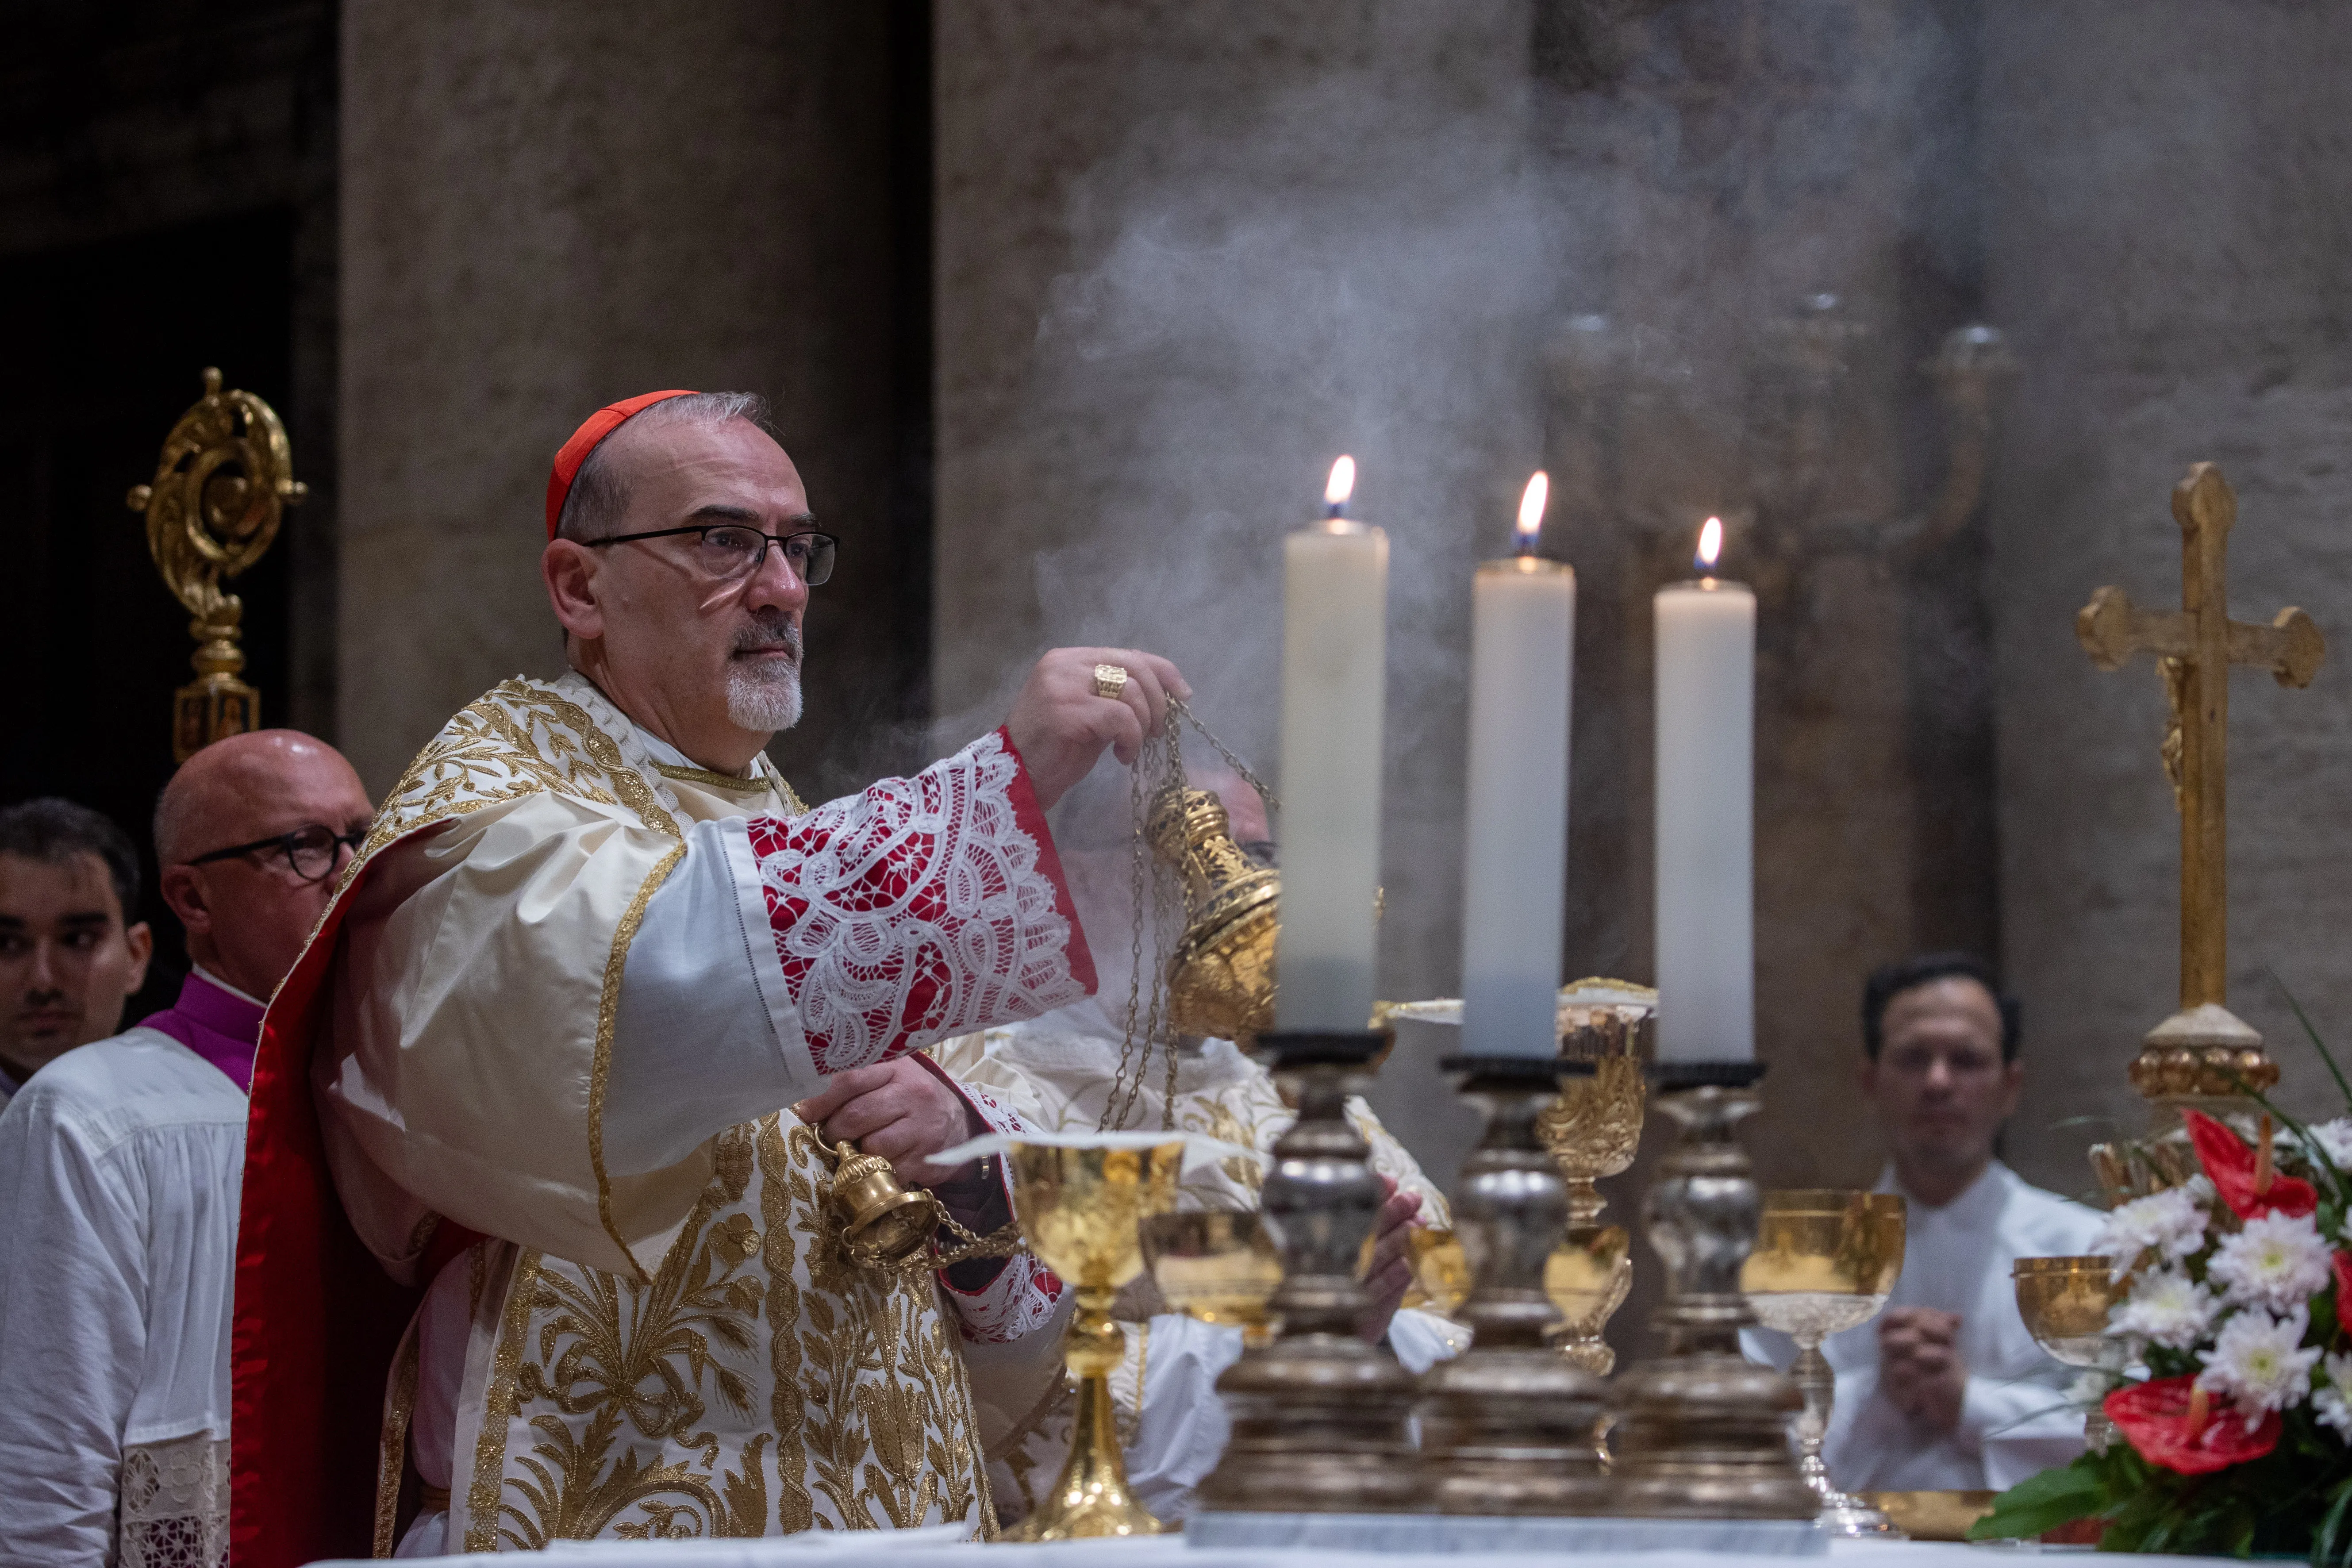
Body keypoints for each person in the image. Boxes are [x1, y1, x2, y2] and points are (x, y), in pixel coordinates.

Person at [231, 389, 1195, 1564]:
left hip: (873, 1530)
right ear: (579, 588)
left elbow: (1002, 1331)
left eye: (797, 548)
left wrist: (966, 1163)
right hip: (592, 1528)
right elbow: (637, 998)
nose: (782, 587)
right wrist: (999, 790)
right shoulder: (491, 801)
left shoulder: (789, 822)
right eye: (722, 539)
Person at [932, 772, 1461, 1526]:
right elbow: (997, 1403)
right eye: (1178, 851)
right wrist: (1289, 1352)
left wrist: (1363, 1346)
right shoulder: (972, 1091)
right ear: (1067, 869)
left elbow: (1476, 1343)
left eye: (1257, 854)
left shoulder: (1305, 1095)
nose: (1227, 885)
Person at [0, 733, 373, 1566]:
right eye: (304, 847)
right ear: (192, 898)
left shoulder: (405, 1104)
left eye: (362, 837)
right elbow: (45, 1476)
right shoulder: (90, 1118)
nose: (349, 872)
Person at [1749, 951, 2101, 1492]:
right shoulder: (1799, 1261)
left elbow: (2131, 1435)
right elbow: (1749, 1438)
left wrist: (1969, 1402)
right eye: (1914, 1058)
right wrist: (1882, 1396)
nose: (1939, 1081)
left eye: (1967, 1059)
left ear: (2011, 1086)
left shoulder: (2087, 1247)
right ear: (1870, 1081)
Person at [0, 798, 154, 1107]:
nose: (43, 983)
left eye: (79, 939)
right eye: (7, 944)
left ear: (135, 957)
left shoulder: (201, 1122)